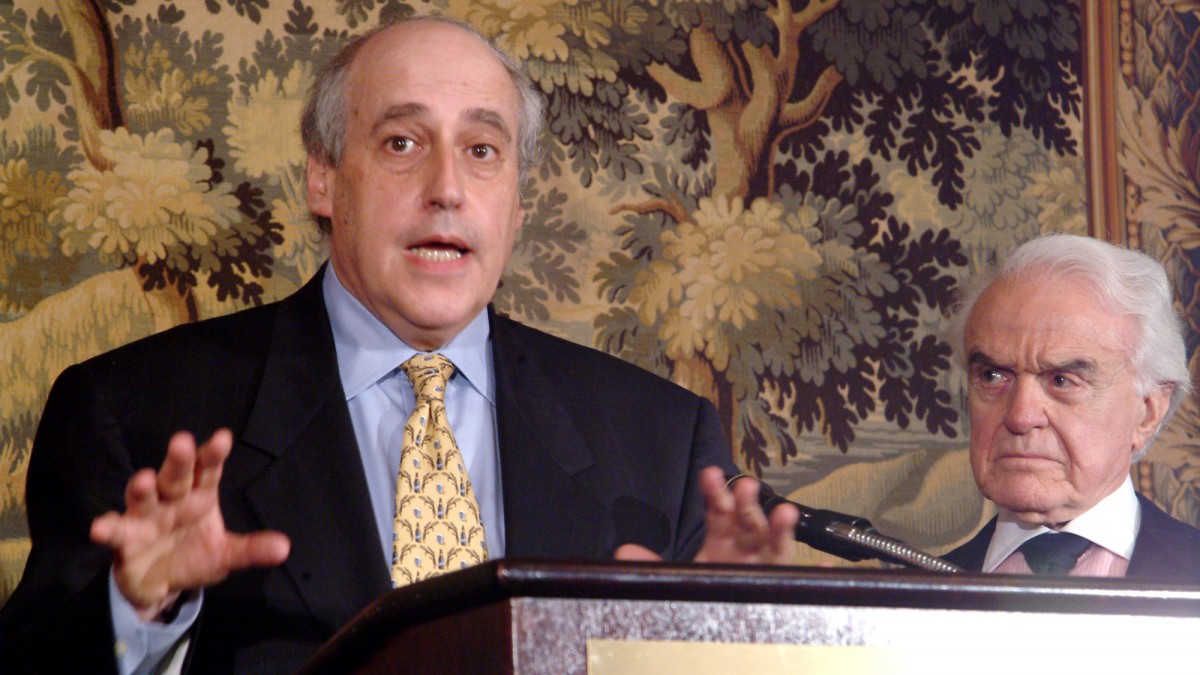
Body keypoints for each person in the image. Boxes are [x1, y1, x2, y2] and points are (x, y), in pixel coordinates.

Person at [0, 17, 797, 674]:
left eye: (482, 151)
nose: (447, 187)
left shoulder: (661, 442)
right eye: (402, 143)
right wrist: (137, 609)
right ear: (322, 178)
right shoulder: (134, 413)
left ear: (517, 204)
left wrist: (739, 645)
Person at [942, 233, 1200, 581]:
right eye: (992, 376)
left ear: (1148, 412)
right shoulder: (902, 604)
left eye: (1062, 381)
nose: (1020, 416)